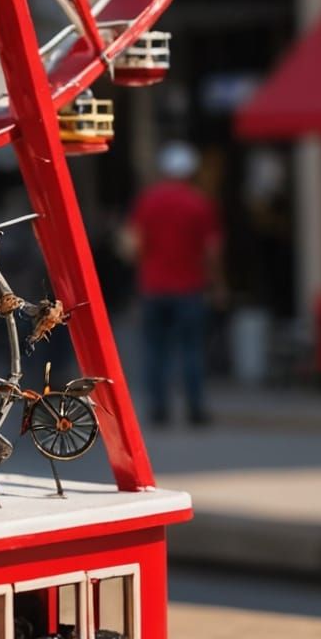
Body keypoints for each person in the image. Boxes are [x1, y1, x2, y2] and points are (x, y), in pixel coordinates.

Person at [126, 142, 225, 426]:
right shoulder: (200, 203)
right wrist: (217, 285)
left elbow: (135, 243)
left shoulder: (148, 200)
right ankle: (195, 409)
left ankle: (158, 410)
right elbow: (212, 251)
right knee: (191, 350)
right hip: (190, 287)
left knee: (155, 351)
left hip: (153, 286)